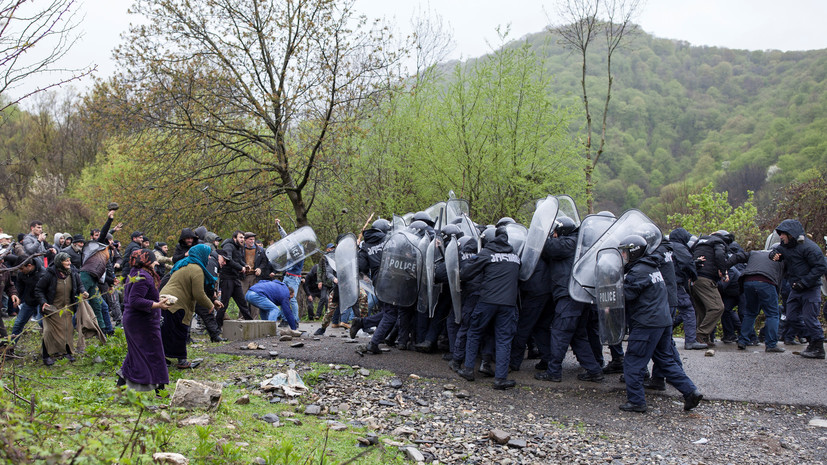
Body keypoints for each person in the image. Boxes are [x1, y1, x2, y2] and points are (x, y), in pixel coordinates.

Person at [616, 235, 702, 413]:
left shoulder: (638, 272)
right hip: (662, 321)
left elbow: (625, 296)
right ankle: (690, 391)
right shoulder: (653, 268)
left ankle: (636, 401)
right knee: (665, 360)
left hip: (646, 323)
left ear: (633, 252)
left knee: (633, 362)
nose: (623, 256)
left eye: (624, 252)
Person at [457, 226, 520, 390]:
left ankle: (469, 370)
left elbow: (465, 273)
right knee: (504, 340)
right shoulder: (515, 256)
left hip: (487, 301)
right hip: (508, 304)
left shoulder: (487, 254)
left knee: (474, 332)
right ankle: (500, 379)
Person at [771, 220, 827, 359]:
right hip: (795, 288)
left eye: (783, 234)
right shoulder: (785, 246)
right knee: (791, 317)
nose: (781, 237)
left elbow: (820, 267)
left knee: (809, 318)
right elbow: (776, 250)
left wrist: (805, 282)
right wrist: (773, 255)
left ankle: (818, 347)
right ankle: (812, 341)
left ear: (791, 234)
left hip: (810, 288)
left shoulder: (810, 248)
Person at [118, 249, 171, 392]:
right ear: (146, 261)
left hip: (138, 321)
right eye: (153, 260)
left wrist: (156, 300)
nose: (156, 262)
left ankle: (121, 386)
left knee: (136, 352)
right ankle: (160, 390)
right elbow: (135, 300)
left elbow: (140, 296)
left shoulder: (137, 273)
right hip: (141, 322)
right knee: (155, 353)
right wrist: (157, 305)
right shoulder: (143, 276)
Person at [159, 244, 220, 369]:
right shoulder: (196, 269)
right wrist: (210, 306)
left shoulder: (183, 263)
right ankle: (182, 361)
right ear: (201, 254)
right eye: (207, 255)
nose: (208, 258)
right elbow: (198, 293)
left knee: (166, 331)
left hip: (165, 298)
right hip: (176, 302)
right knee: (180, 331)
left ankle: (161, 358)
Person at [35, 252, 88, 366]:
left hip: (67, 308)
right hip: (52, 308)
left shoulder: (73, 273)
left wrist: (83, 291)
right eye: (66, 261)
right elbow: (39, 289)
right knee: (49, 332)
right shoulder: (49, 274)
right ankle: (46, 356)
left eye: (69, 260)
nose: (69, 263)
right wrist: (43, 302)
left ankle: (67, 352)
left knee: (67, 330)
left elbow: (80, 285)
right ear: (59, 262)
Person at [728, 247, 786, 352]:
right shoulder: (781, 257)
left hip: (748, 281)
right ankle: (771, 344)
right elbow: (781, 278)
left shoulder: (754, 252)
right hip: (766, 282)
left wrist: (723, 269)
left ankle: (743, 341)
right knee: (773, 314)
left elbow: (737, 256)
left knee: (750, 312)